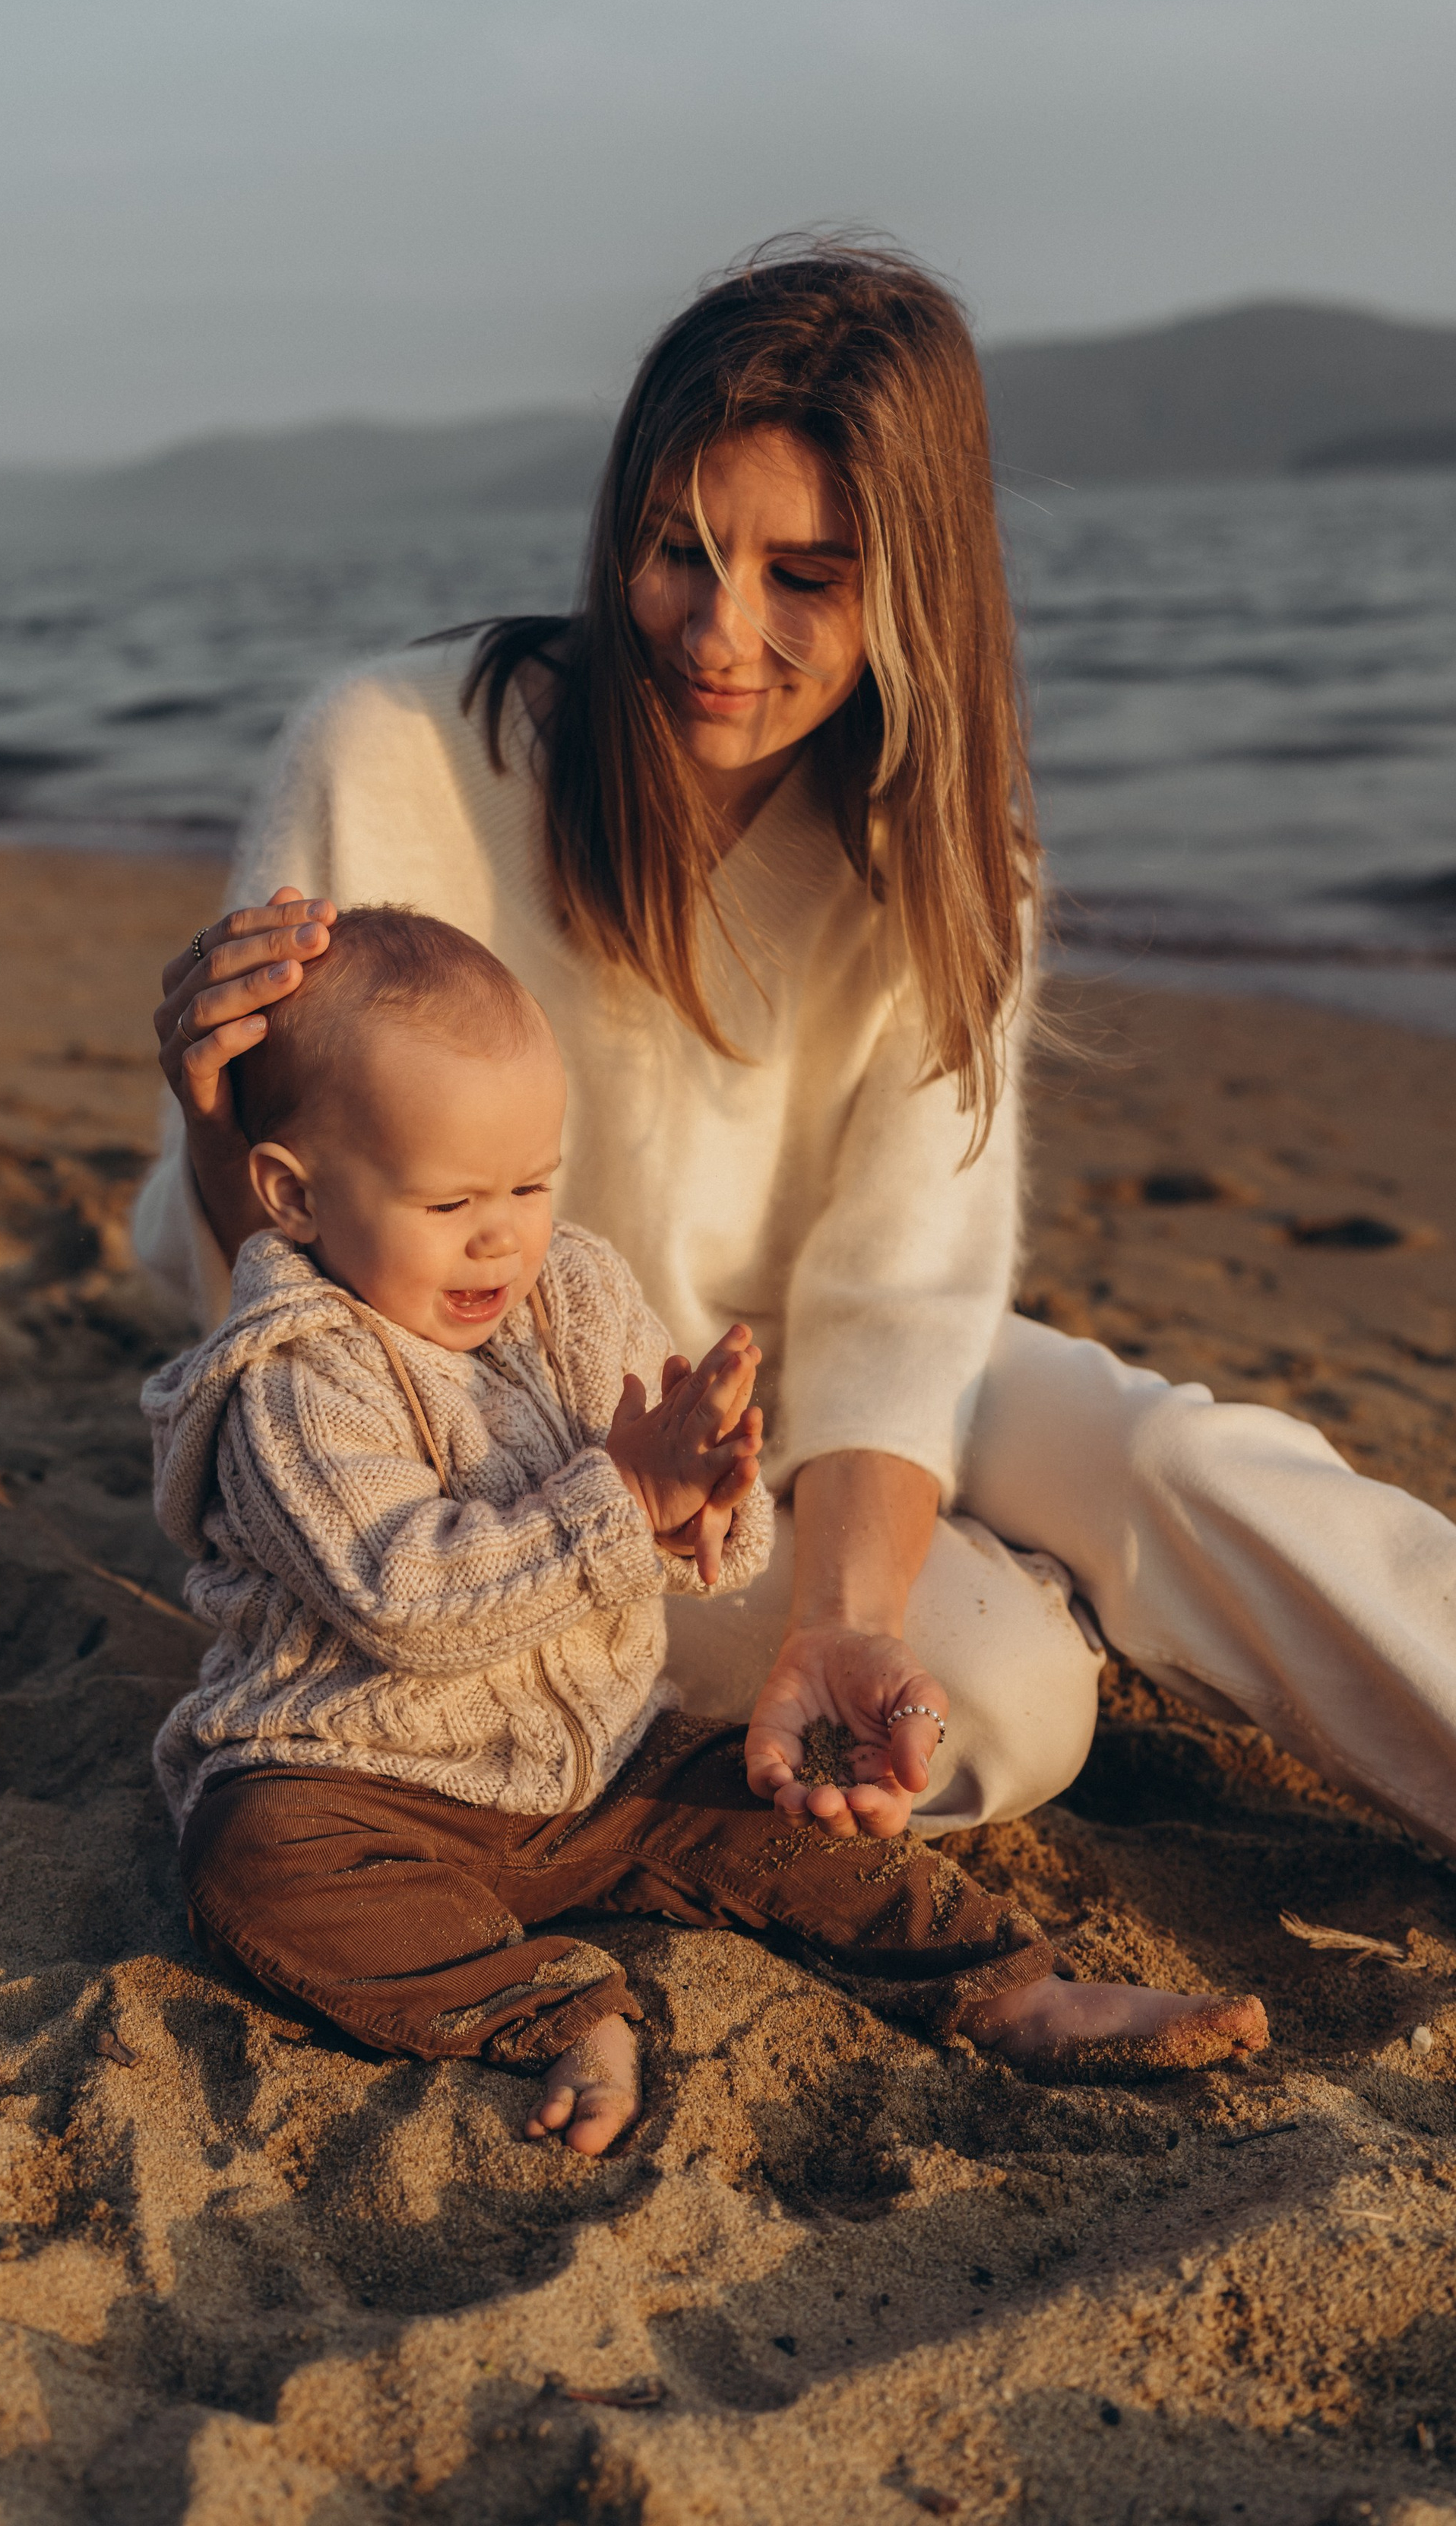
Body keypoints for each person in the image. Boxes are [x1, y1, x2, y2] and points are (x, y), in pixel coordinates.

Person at [138, 238, 1456, 1862]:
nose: (716, 632)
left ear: (911, 585)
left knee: (1181, 1458)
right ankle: (1003, 1609)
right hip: (490, 1432)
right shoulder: (395, 755)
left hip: (796, 1364)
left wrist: (842, 1597)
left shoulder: (949, 856)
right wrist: (210, 1112)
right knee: (1002, 1700)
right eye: (677, 551)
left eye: (804, 578)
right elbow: (258, 1281)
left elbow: (902, 1298)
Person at [147, 904, 1268, 2153]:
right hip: (364, 1780)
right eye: (451, 1199)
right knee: (248, 1864)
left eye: (530, 1182)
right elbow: (400, 1599)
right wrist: (622, 1500)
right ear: (293, 1196)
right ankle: (549, 2005)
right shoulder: (293, 1375)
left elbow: (708, 1560)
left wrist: (711, 1496)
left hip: (606, 1765)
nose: (502, 1234)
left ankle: (1012, 1986)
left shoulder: (570, 1286)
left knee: (790, 1816)